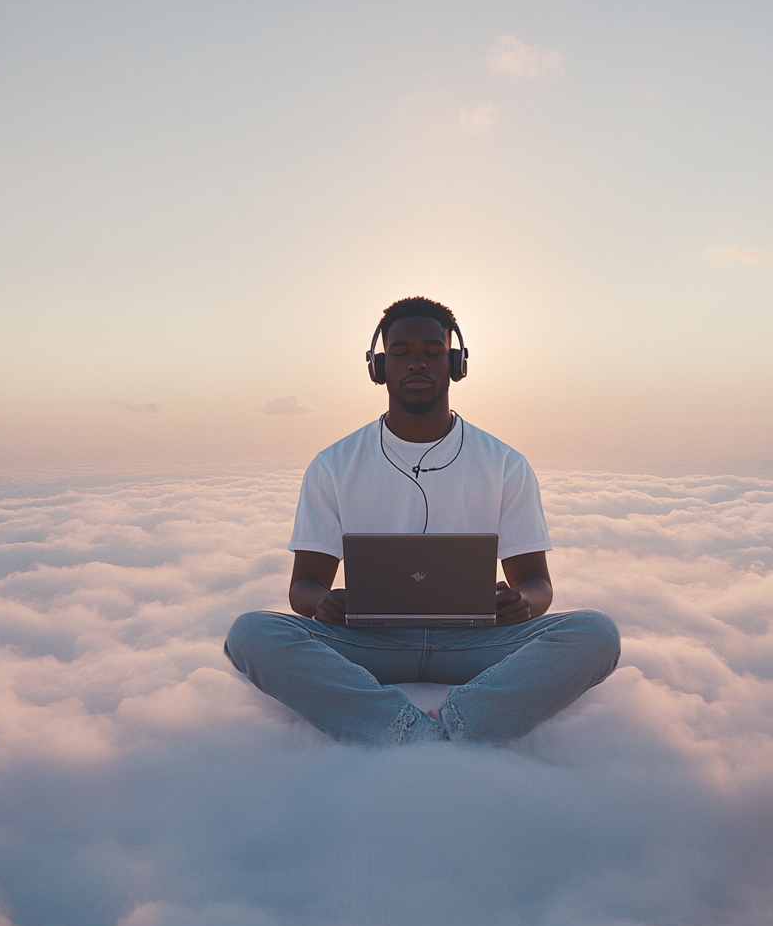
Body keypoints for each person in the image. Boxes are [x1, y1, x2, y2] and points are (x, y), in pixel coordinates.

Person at [224, 297, 620, 745]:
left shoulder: (504, 463)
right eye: (401, 353)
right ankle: (399, 728)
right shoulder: (333, 464)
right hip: (369, 643)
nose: (417, 363)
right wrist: (321, 604)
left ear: (455, 363)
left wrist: (522, 603)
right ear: (379, 366)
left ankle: (463, 722)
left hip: (475, 643)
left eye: (432, 352)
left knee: (595, 634)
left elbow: (537, 584)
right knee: (252, 633)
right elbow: (303, 587)